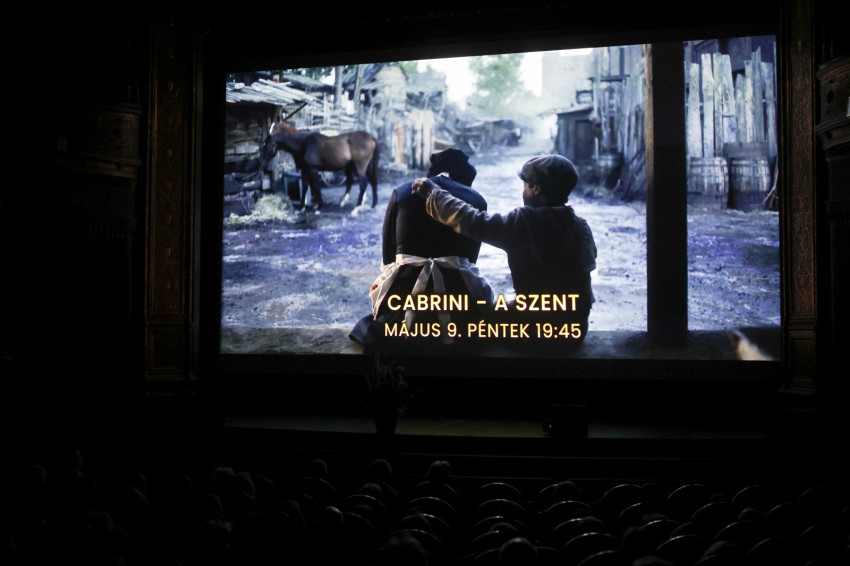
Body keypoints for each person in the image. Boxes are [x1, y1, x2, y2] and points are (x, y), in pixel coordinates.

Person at [411, 153, 597, 347]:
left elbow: (472, 220)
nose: (523, 192)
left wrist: (434, 194)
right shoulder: (580, 226)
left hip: (536, 329)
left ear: (536, 189)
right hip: (574, 328)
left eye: (525, 186)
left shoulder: (524, 221)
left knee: (473, 317)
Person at [349, 148, 494, 353]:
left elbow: (388, 257)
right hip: (457, 299)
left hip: (405, 293)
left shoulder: (401, 192)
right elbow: (471, 260)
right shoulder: (477, 199)